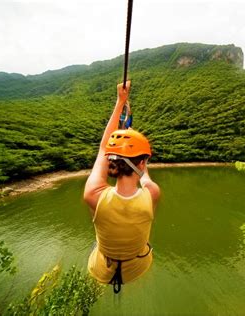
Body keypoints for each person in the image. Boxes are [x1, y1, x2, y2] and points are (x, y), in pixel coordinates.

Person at [84, 80, 160, 293]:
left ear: (111, 161)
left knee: (98, 240)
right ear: (143, 163)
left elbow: (103, 147)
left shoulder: (93, 195)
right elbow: (143, 175)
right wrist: (132, 140)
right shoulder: (152, 193)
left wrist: (120, 102)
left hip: (102, 266)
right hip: (137, 264)